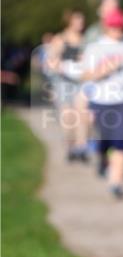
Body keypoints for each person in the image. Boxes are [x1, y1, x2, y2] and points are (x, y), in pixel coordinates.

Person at [81, 8, 123, 197]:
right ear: (106, 27)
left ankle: (116, 183)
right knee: (106, 139)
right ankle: (102, 158)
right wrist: (106, 68)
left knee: (121, 140)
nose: (118, 30)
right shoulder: (94, 47)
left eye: (120, 27)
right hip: (102, 99)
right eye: (114, 27)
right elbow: (86, 75)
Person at [44, 10, 88, 161]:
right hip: (63, 82)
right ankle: (70, 146)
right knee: (68, 116)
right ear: (70, 22)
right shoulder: (60, 39)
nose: (80, 24)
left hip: (80, 81)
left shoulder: (85, 39)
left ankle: (81, 147)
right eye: (77, 21)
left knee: (82, 114)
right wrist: (62, 67)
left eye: (82, 21)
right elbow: (50, 61)